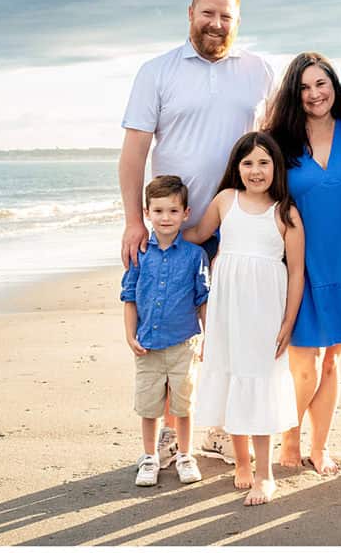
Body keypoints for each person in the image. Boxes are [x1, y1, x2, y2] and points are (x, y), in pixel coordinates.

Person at [119, 0, 275, 467]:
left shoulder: (259, 70)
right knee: (167, 330)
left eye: (226, 16)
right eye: (208, 13)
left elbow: (270, 148)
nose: (216, 23)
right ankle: (168, 434)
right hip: (174, 231)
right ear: (190, 12)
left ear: (238, 20)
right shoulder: (157, 71)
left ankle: (225, 431)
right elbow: (134, 154)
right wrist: (133, 223)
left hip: (239, 225)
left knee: (231, 331)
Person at [184, 132, 304, 506]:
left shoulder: (285, 211)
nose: (256, 170)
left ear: (276, 167)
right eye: (248, 162)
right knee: (234, 376)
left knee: (259, 380)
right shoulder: (225, 201)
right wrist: (160, 233)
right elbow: (199, 235)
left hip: (266, 307)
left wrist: (288, 322)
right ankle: (241, 463)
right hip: (227, 306)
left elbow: (297, 272)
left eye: (264, 162)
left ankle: (265, 474)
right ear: (237, 167)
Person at [262, 52, 341, 476]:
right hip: (297, 266)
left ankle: (319, 447)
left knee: (330, 361)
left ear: (334, 87)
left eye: (321, 84)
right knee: (302, 364)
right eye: (304, 87)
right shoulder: (278, 141)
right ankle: (289, 436)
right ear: (294, 94)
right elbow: (251, 191)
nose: (314, 94)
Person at [121, 175, 209, 487]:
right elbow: (129, 298)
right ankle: (150, 457)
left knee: (183, 405)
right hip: (147, 345)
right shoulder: (140, 253)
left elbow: (202, 300)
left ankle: (186, 455)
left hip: (184, 343)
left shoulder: (194, 255)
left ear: (186, 213)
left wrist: (205, 338)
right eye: (158, 211)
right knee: (149, 407)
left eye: (173, 211)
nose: (165, 218)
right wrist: (130, 336)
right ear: (147, 213)